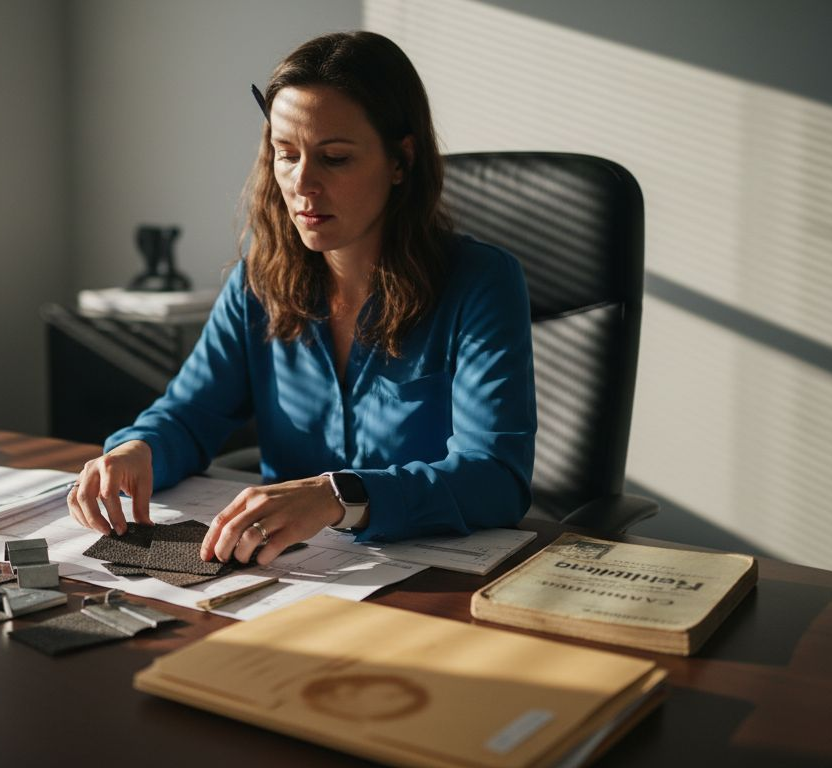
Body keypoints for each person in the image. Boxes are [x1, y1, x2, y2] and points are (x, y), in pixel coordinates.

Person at [66, 31, 536, 567]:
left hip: (430, 581)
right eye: (286, 155)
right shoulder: (258, 282)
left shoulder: (480, 282)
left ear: (401, 160)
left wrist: (340, 496)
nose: (303, 183)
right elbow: (190, 413)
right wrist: (136, 449)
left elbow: (495, 477)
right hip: (284, 574)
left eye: (334, 158)